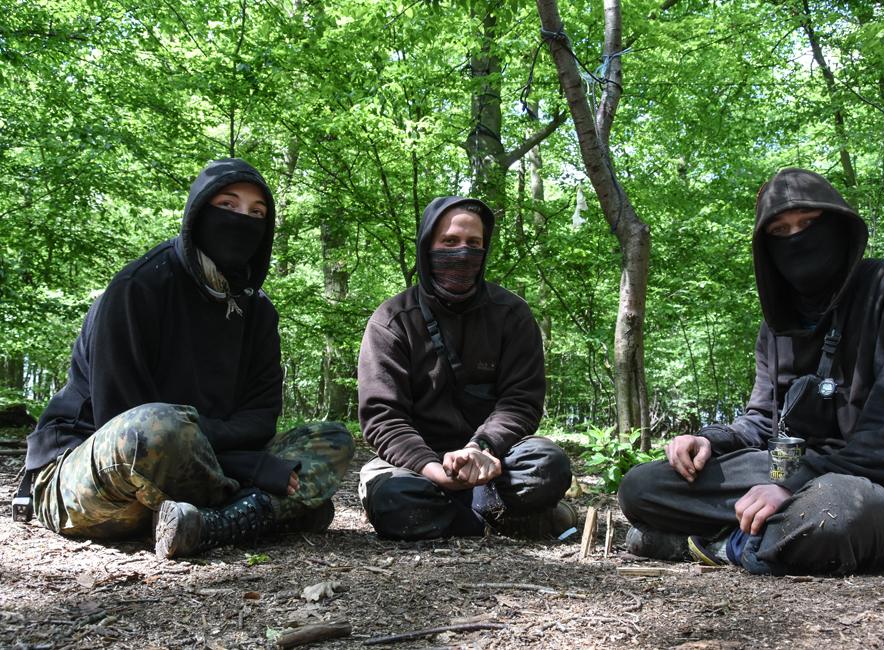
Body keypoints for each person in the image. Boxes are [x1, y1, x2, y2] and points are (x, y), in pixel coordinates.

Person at [618, 167, 884, 575]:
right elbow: (764, 420)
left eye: (808, 224)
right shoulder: (778, 323)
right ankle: (761, 534)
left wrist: (792, 484)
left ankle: (718, 545)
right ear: (767, 250)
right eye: (780, 232)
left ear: (838, 228)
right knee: (643, 487)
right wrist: (708, 440)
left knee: (829, 511)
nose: (797, 240)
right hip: (796, 470)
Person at [22, 158, 354, 559]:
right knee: (159, 428)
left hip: (191, 476)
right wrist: (251, 469)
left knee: (331, 439)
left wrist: (231, 452)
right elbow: (124, 420)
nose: (241, 221)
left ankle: (211, 522)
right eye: (227, 206)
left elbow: (261, 417)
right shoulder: (138, 288)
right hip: (94, 475)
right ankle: (261, 510)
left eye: (257, 213)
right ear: (197, 213)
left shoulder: (258, 312)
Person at [356, 196, 575, 540]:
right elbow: (383, 417)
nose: (462, 252)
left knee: (548, 464)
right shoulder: (391, 320)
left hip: (494, 457)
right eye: (450, 242)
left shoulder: (512, 315)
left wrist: (480, 448)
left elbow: (520, 402)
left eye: (474, 243)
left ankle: (468, 510)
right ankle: (494, 515)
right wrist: (431, 468)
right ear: (428, 246)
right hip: (414, 465)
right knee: (393, 499)